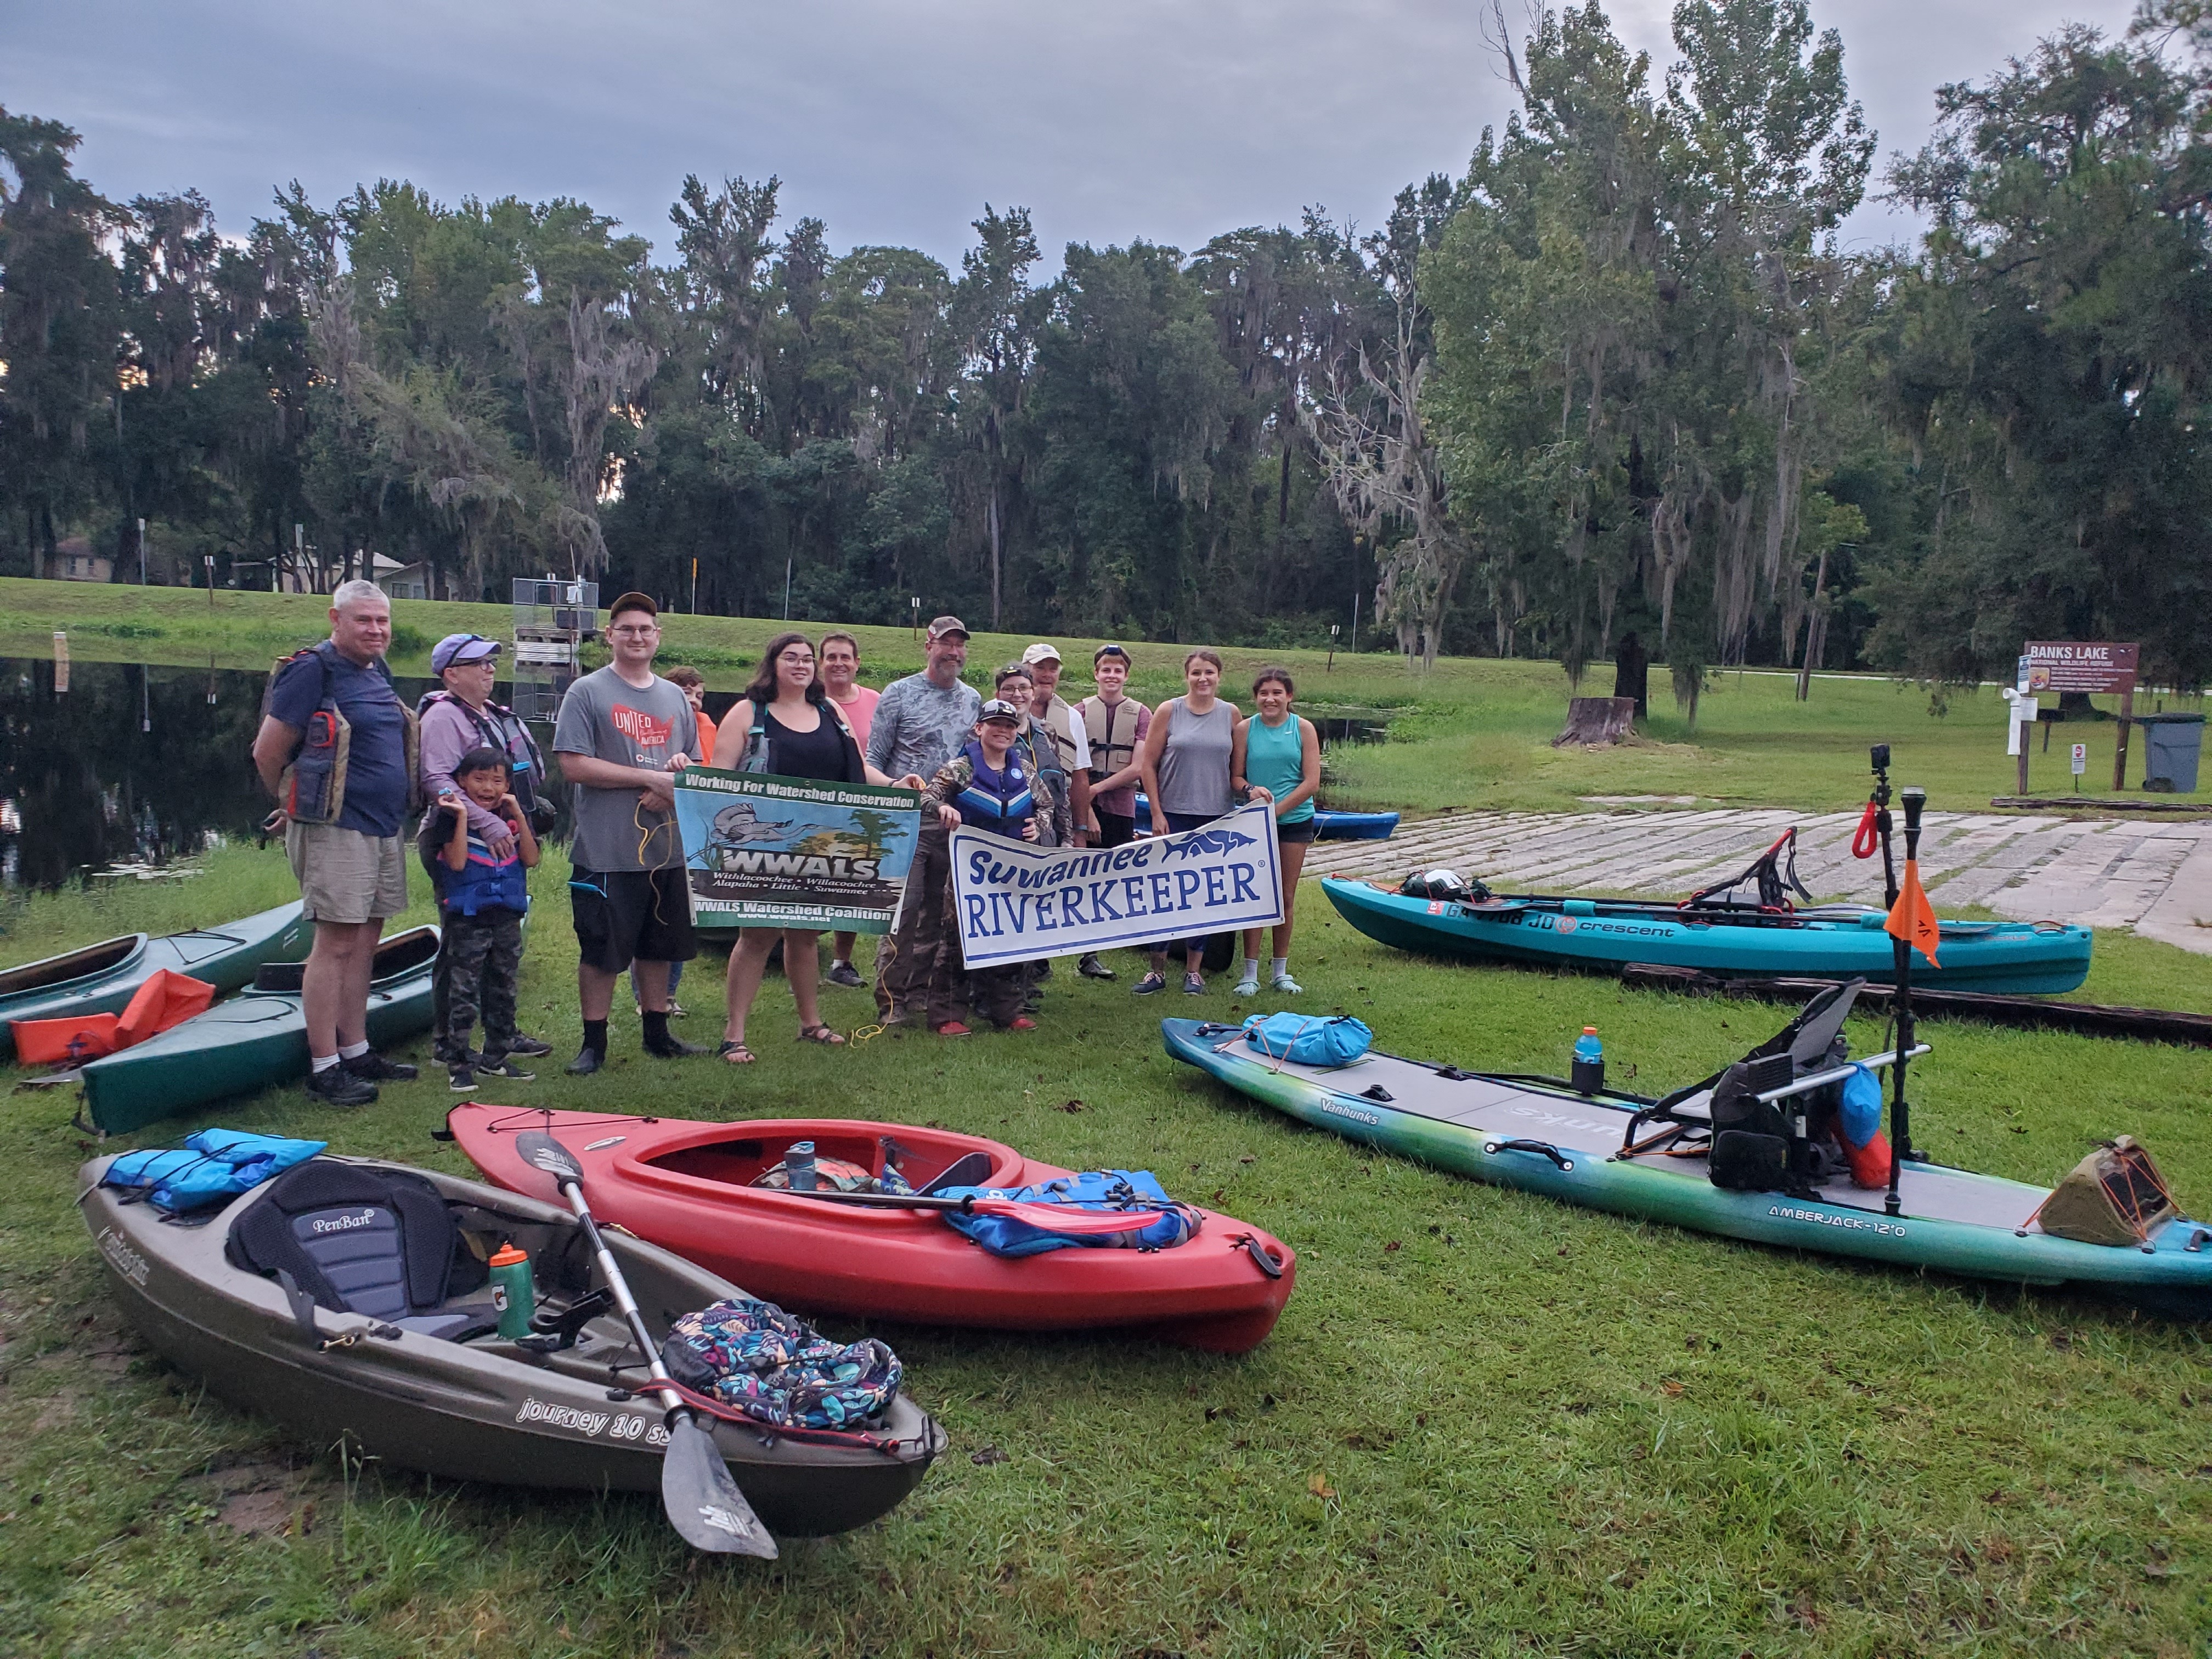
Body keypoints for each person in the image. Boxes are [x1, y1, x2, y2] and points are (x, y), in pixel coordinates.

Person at [251, 579, 422, 1108]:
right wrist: (290, 800)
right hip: (335, 827)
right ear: (336, 619)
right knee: (336, 944)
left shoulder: (377, 668)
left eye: (382, 621)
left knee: (366, 941)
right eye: (364, 620)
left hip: (382, 825)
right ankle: (324, 1066)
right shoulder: (312, 670)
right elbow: (267, 750)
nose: (376, 630)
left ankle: (358, 1049)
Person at [709, 632, 915, 1064]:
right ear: (773, 664)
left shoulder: (830, 710)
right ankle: (734, 1035)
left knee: (805, 933)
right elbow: (719, 780)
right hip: (764, 846)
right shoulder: (749, 712)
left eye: (807, 659)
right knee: (758, 934)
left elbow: (858, 769)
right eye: (792, 658)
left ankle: (810, 1023)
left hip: (821, 845)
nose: (801, 666)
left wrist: (896, 785)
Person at [550, 591, 704, 1075]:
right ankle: (592, 1044)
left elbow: (695, 766)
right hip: (607, 849)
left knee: (658, 946)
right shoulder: (587, 692)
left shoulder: (675, 696)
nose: (637, 637)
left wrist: (675, 779)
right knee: (600, 950)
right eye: (627, 629)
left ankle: (657, 1034)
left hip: (667, 849)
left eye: (645, 629)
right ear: (610, 635)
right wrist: (646, 778)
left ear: (658, 637)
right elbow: (573, 764)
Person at [418, 631, 554, 1063]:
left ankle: (503, 1033)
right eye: (479, 663)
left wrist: (514, 822)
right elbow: (437, 781)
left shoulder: (491, 715)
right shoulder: (443, 718)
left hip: (503, 834)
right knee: (461, 942)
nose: (490, 669)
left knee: (502, 942)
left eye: (492, 662)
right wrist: (489, 823)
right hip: (461, 838)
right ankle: (448, 1043)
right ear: (452, 674)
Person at [920, 698, 1068, 1034]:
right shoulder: (960, 768)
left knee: (1009, 936)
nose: (1003, 730)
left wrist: (1040, 825)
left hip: (1011, 871)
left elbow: (1047, 804)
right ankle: (948, 1015)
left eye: (1010, 725)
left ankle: (1007, 1011)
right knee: (957, 938)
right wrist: (944, 810)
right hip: (967, 872)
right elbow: (927, 797)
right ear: (979, 729)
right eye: (996, 724)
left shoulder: (1025, 770)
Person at [865, 616, 981, 1023]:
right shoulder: (899, 694)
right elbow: (871, 761)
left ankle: (920, 991)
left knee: (939, 911)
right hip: (906, 820)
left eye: (959, 645)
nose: (953, 652)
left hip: (953, 821)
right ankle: (891, 999)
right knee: (904, 908)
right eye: (945, 644)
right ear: (928, 645)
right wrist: (895, 784)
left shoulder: (973, 700)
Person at [420, 746, 540, 1091]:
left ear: (507, 785)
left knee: (503, 988)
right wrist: (460, 817)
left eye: (497, 781)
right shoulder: (451, 818)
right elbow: (456, 864)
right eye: (479, 779)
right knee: (464, 992)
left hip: (506, 919)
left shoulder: (511, 820)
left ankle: (496, 1058)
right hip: (469, 921)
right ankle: (458, 1062)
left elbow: (530, 859)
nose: (488, 788)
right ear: (461, 782)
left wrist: (518, 811)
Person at [1132, 649, 1239, 996]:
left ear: (1219, 676)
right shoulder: (1169, 710)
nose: (1203, 679)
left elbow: (1239, 769)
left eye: (1209, 672)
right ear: (1187, 676)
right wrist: (1157, 812)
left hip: (1216, 817)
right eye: (1196, 673)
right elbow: (1148, 765)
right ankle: (1157, 970)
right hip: (1173, 814)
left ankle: (1195, 971)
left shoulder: (1231, 715)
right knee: (1164, 891)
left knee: (1204, 894)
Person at [1231, 665, 1322, 996]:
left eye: (1277, 693)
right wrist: (1250, 791)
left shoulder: (1304, 729)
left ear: (1289, 696)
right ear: (1256, 698)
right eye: (1263, 694)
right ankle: (1250, 973)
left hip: (1294, 821)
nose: (1270, 699)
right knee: (1255, 896)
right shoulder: (1244, 729)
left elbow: (1311, 782)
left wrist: (1277, 811)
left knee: (1284, 896)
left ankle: (1280, 971)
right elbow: (1236, 778)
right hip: (1254, 824)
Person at [637, 666, 712, 1018]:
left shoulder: (707, 728)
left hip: (694, 832)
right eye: (687, 694)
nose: (694, 701)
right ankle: (645, 998)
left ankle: (669, 994)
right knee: (648, 915)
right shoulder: (653, 720)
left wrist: (678, 791)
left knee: (679, 919)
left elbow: (710, 770)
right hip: (648, 832)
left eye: (699, 695)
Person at [1074, 643, 1149, 981]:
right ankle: (1084, 953)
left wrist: (1096, 790)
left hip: (1120, 808)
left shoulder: (1141, 714)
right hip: (1083, 808)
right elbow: (1072, 767)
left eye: (1118, 670)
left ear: (1126, 676)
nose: (1112, 675)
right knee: (1083, 878)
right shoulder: (1078, 713)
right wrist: (1086, 806)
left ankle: (1102, 946)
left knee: (1113, 879)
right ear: (1096, 673)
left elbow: (1138, 768)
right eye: (1106, 669)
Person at [819, 631, 879, 990]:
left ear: (858, 662)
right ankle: (796, 950)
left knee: (854, 881)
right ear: (820, 663)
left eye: (846, 657)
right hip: (817, 804)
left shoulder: (876, 700)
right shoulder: (804, 700)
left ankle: (842, 960)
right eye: (831, 657)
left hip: (861, 805)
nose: (839, 663)